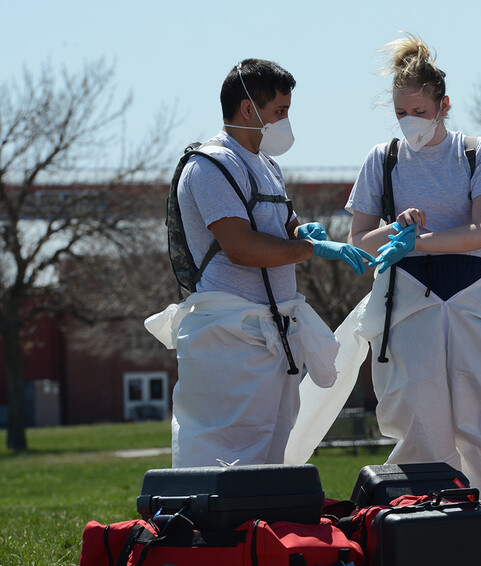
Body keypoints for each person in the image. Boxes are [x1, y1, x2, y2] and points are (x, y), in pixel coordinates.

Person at [146, 59, 375, 467]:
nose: (286, 122)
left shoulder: (269, 167)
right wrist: (313, 250)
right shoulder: (210, 166)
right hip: (228, 337)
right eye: (279, 112)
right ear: (249, 109)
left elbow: (283, 235)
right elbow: (242, 247)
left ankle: (258, 530)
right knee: (226, 454)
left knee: (273, 450)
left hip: (274, 331)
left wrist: (307, 236)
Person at [345, 35, 481, 500]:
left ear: (443, 105)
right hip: (406, 295)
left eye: (420, 113)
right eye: (401, 113)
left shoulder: (477, 152)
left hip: (468, 289)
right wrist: (397, 228)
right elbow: (360, 240)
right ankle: (424, 520)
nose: (411, 123)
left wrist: (418, 241)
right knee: (420, 423)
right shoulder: (382, 159)